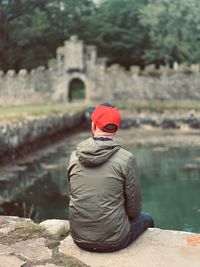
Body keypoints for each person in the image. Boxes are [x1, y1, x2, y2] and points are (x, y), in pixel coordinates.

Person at [67, 103, 154, 253]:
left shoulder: (74, 156)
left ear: (93, 126)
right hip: (115, 241)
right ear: (115, 129)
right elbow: (134, 211)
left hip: (79, 238)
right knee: (148, 219)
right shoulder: (126, 158)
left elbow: (75, 193)